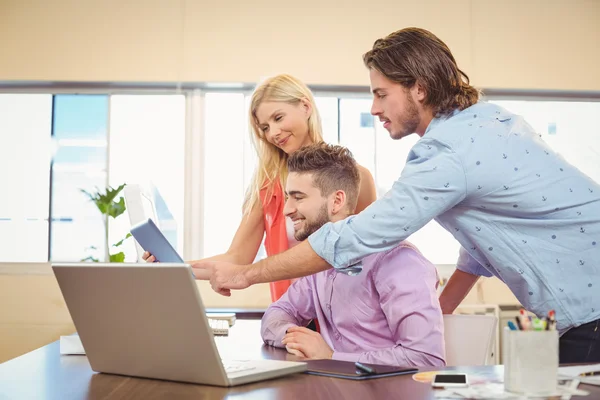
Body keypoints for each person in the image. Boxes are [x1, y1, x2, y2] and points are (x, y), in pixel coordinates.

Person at [194, 27, 600, 364]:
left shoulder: (448, 153)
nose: (373, 108)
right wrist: (437, 313)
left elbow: (360, 237)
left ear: (419, 89)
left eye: (381, 93)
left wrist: (247, 274)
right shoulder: (485, 124)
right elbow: (482, 245)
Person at [144, 74, 377, 302]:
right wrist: (173, 266)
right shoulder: (266, 187)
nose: (273, 133)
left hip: (346, 318)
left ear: (305, 107)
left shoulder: (358, 178)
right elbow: (237, 258)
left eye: (278, 118)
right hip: (293, 318)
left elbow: (373, 256)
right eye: (264, 127)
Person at [261, 142, 445, 367]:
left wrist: (331, 357)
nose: (287, 209)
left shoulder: (399, 261)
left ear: (336, 201)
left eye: (298, 197)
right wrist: (293, 336)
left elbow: (426, 359)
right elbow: (277, 313)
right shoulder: (319, 262)